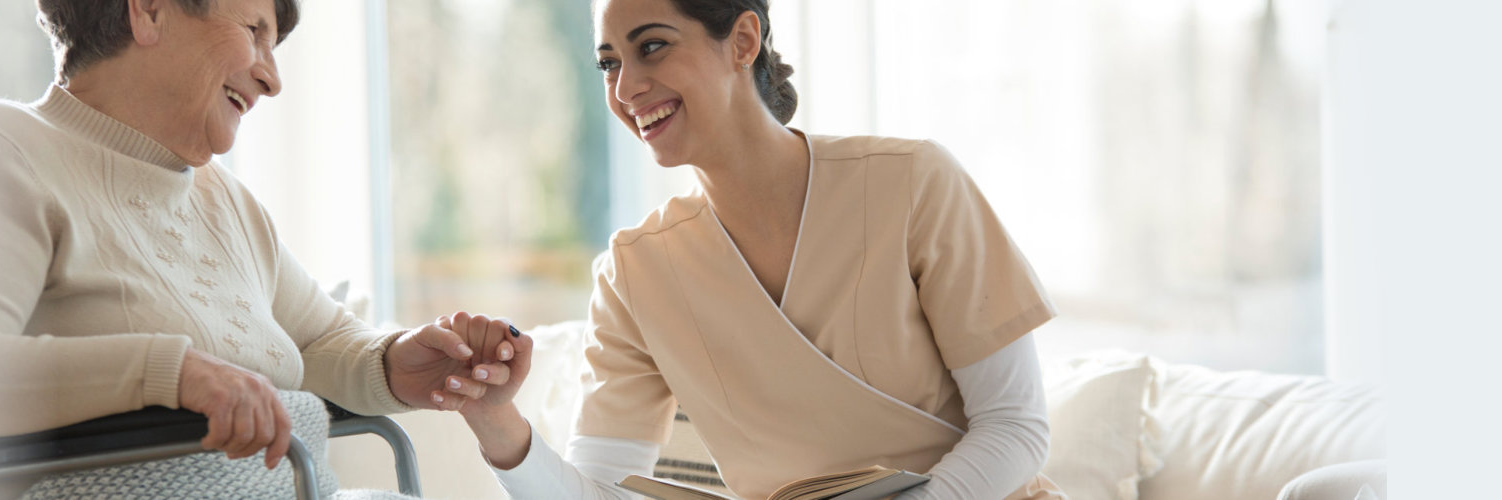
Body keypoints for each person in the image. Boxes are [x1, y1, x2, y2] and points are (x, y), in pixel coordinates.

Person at [0, 0, 528, 496]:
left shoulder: (225, 201)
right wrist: (173, 374)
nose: (272, 78)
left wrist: (394, 364)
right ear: (148, 9)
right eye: (254, 30)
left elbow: (318, 346)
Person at [446, 0, 1066, 498]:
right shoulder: (636, 271)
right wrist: (496, 422)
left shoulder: (912, 182)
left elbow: (1015, 425)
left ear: (743, 41)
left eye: (652, 46)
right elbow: (600, 491)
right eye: (608, 63)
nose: (626, 86)